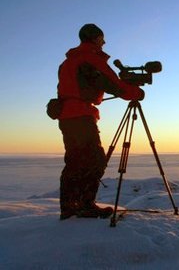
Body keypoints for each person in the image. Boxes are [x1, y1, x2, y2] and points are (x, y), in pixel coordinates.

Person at [56, 24, 144, 220]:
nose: (104, 43)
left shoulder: (68, 62)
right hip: (80, 115)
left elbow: (69, 88)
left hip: (67, 116)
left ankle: (69, 207)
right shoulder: (90, 57)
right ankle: (85, 205)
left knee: (74, 160)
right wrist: (135, 93)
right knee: (94, 160)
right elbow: (112, 83)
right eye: (102, 39)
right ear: (95, 39)